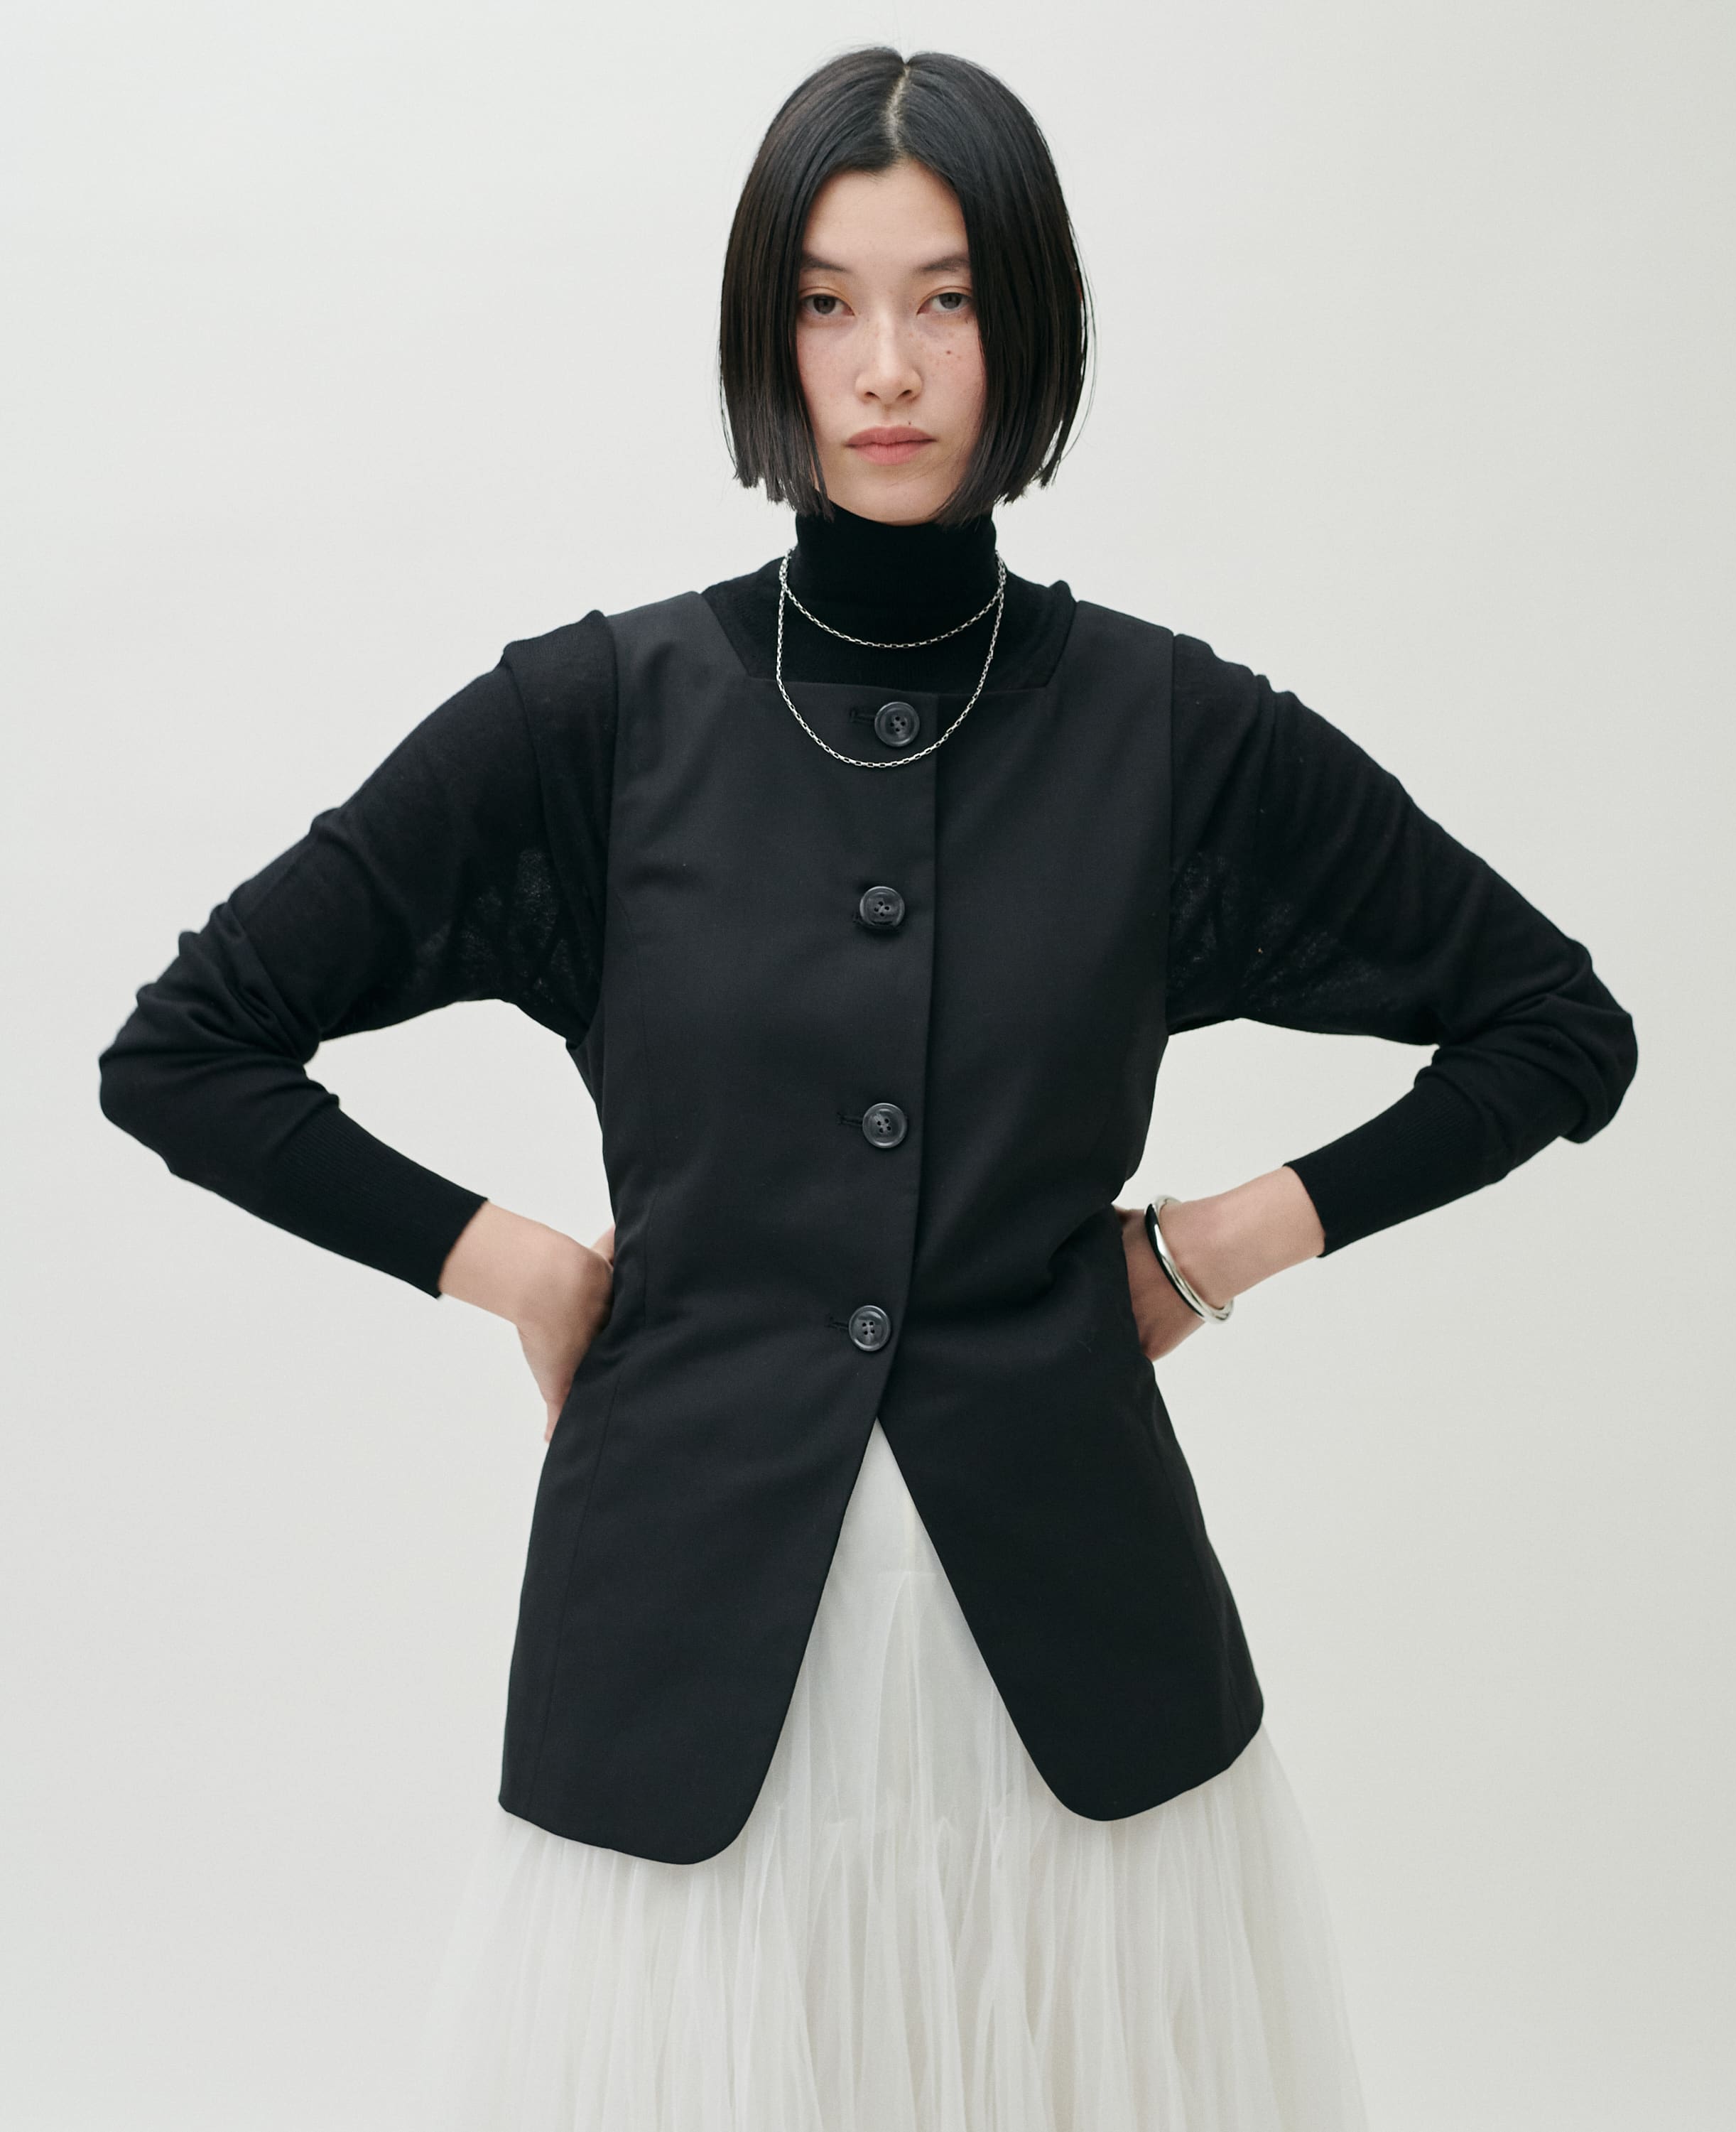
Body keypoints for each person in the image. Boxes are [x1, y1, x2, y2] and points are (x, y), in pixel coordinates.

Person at [96, 45, 1636, 2132]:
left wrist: (1214, 1247)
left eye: (947, 300)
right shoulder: (595, 722)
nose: (887, 367)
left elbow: (1555, 1025)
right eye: (828, 304)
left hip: (1080, 1705)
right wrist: (516, 1267)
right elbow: (185, 1048)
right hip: (681, 1692)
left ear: (1029, 327)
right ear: (769, 335)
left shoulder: (1168, 733)